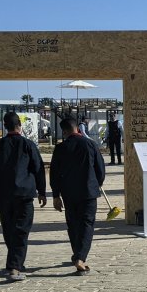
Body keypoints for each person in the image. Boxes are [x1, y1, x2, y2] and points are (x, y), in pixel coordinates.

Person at [0, 112, 47, 282]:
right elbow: (38, 169)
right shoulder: (29, 145)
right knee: (21, 230)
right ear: (20, 125)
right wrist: (42, 191)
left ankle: (15, 261)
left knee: (9, 229)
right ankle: (14, 267)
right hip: (24, 195)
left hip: (4, 195)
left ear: (5, 126)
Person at [50, 116, 106, 275]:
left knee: (73, 225)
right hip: (88, 192)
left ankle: (77, 254)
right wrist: (97, 183)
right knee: (86, 225)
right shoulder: (90, 144)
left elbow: (54, 174)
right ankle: (80, 258)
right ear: (78, 128)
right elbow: (100, 169)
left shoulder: (60, 148)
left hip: (69, 194)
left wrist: (56, 195)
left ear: (65, 131)